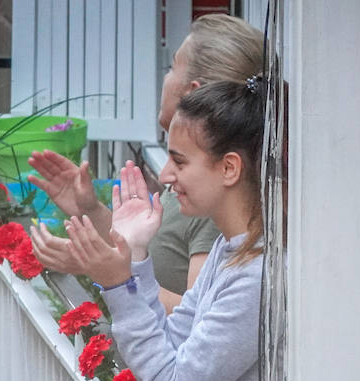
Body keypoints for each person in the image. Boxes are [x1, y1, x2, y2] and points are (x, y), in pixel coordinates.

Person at [58, 79, 265, 381]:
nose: (166, 176)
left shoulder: (254, 275)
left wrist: (119, 284)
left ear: (229, 168)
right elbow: (173, 343)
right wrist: (134, 253)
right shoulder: (232, 250)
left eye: (180, 162)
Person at [27, 14, 263, 309]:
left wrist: (107, 273)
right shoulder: (198, 180)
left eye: (171, 67)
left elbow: (198, 317)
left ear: (192, 91)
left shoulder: (211, 199)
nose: (166, 175)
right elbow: (140, 252)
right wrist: (89, 208)